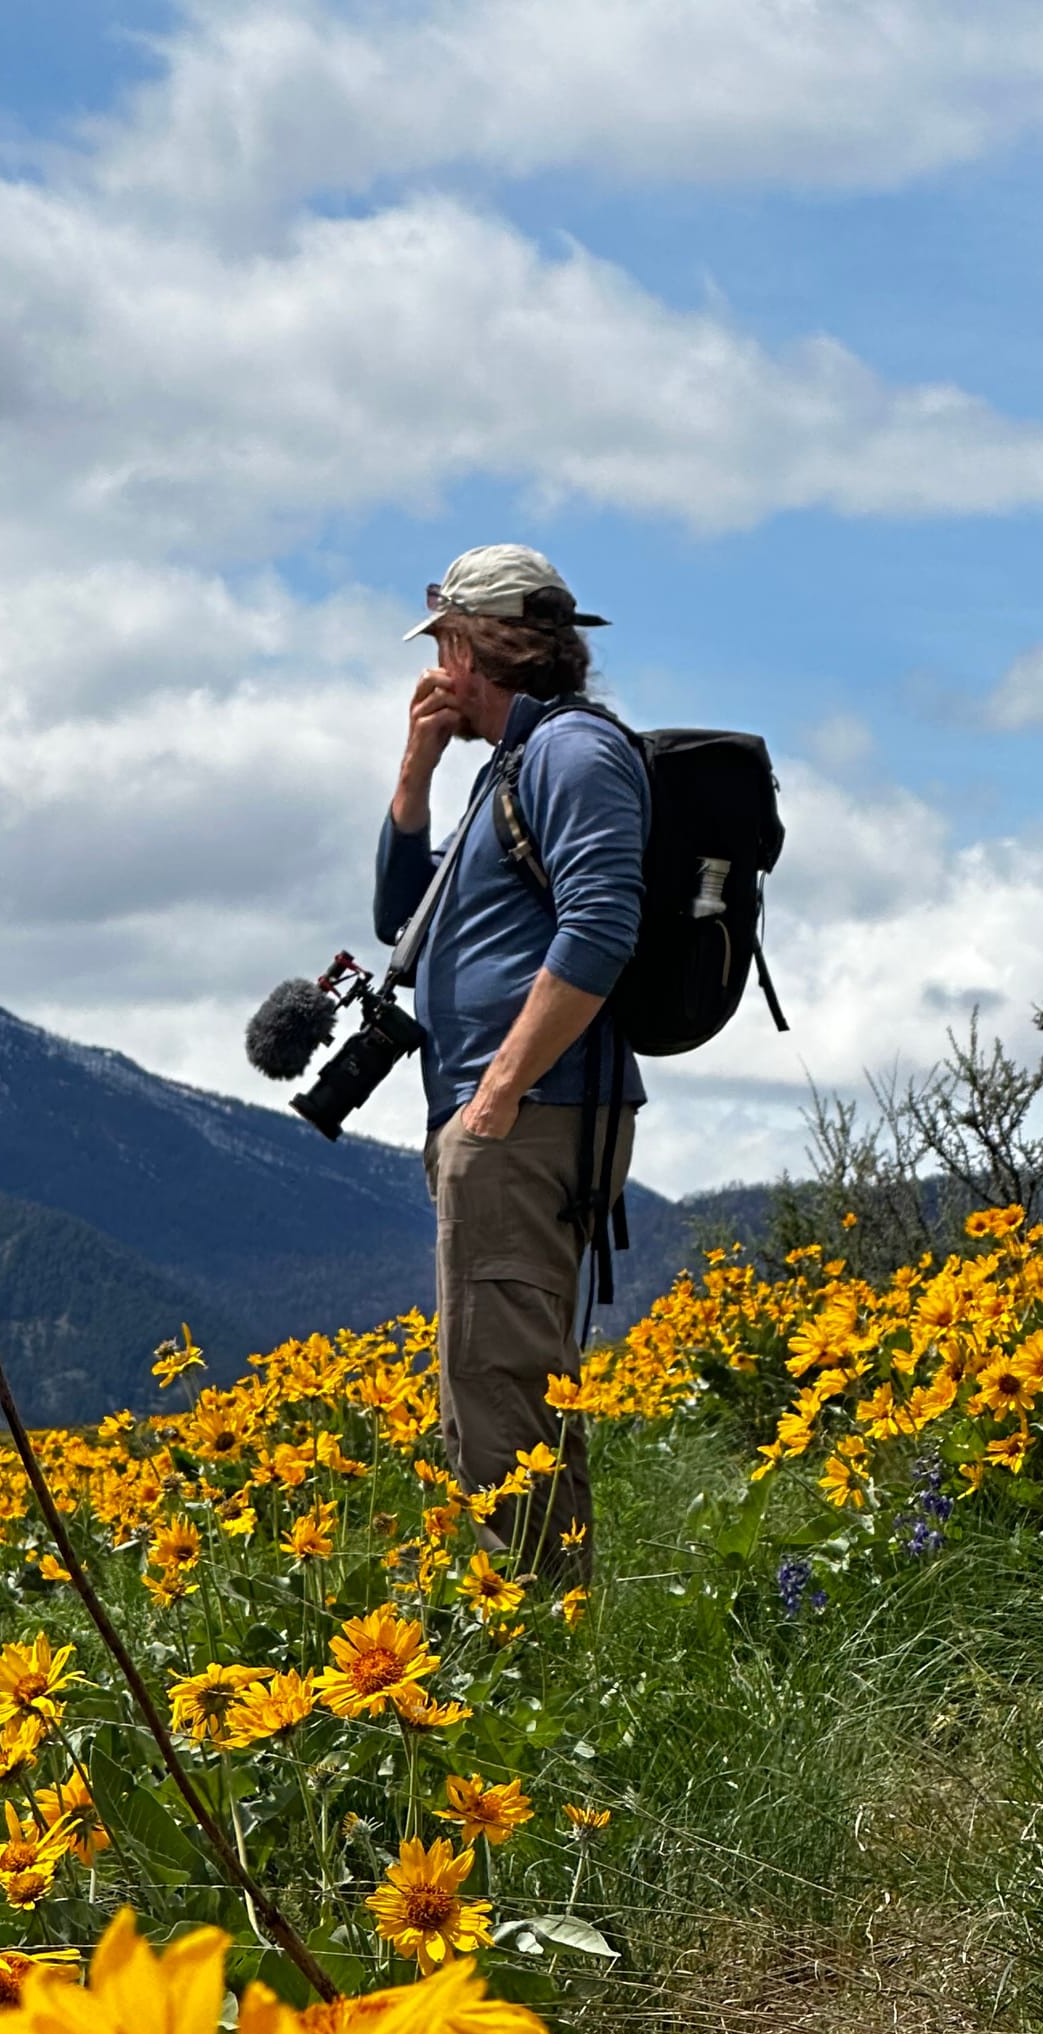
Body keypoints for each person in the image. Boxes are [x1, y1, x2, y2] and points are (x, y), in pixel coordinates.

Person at [374, 543, 646, 1579]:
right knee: (488, 1382)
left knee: (500, 1389)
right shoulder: (510, 764)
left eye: (443, 642)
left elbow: (599, 927)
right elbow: (404, 919)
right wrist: (415, 773)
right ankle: (538, 1628)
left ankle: (541, 1640)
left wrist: (493, 1094)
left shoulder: (570, 756)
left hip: (527, 1116)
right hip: (507, 1114)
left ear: (471, 646)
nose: (435, 667)